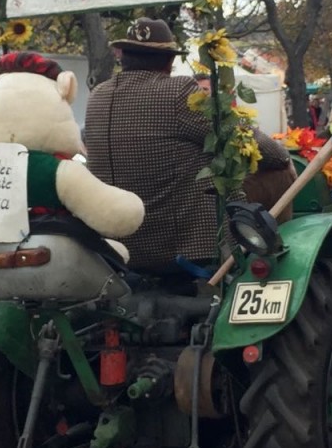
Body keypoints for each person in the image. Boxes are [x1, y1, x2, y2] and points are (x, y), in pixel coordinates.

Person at [84, 17, 293, 273]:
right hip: (180, 245)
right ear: (170, 61)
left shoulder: (97, 96)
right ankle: (275, 261)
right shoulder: (179, 91)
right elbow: (251, 143)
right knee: (281, 172)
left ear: (123, 56)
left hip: (116, 245)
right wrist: (280, 153)